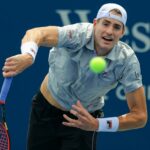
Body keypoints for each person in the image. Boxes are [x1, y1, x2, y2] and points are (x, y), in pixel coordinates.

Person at [2, 3, 147, 150]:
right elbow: (37, 33)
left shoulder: (127, 61)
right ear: (95, 23)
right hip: (44, 111)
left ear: (122, 32)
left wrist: (98, 125)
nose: (109, 31)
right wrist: (29, 55)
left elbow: (140, 116)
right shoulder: (77, 34)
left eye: (116, 27)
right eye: (106, 24)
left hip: (82, 121)